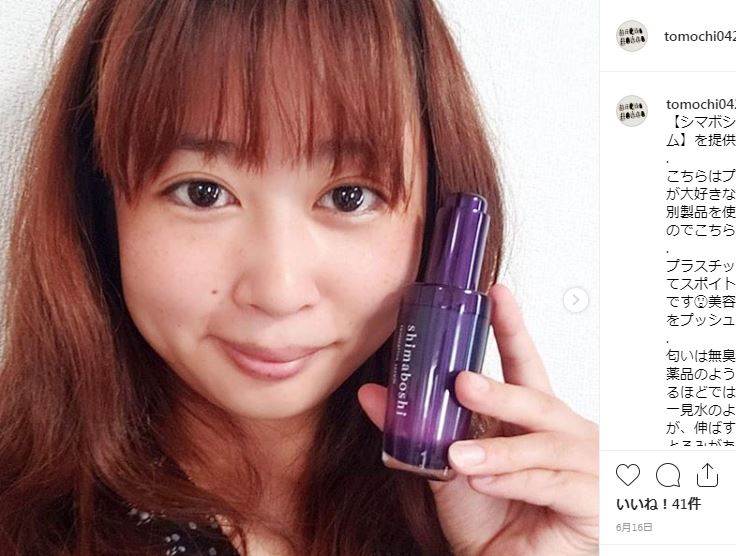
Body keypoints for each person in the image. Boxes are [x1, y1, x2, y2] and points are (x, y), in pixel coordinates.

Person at [0, 1, 598, 554]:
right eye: (203, 192)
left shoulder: (492, 515)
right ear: (99, 209)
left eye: (348, 196)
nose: (279, 292)